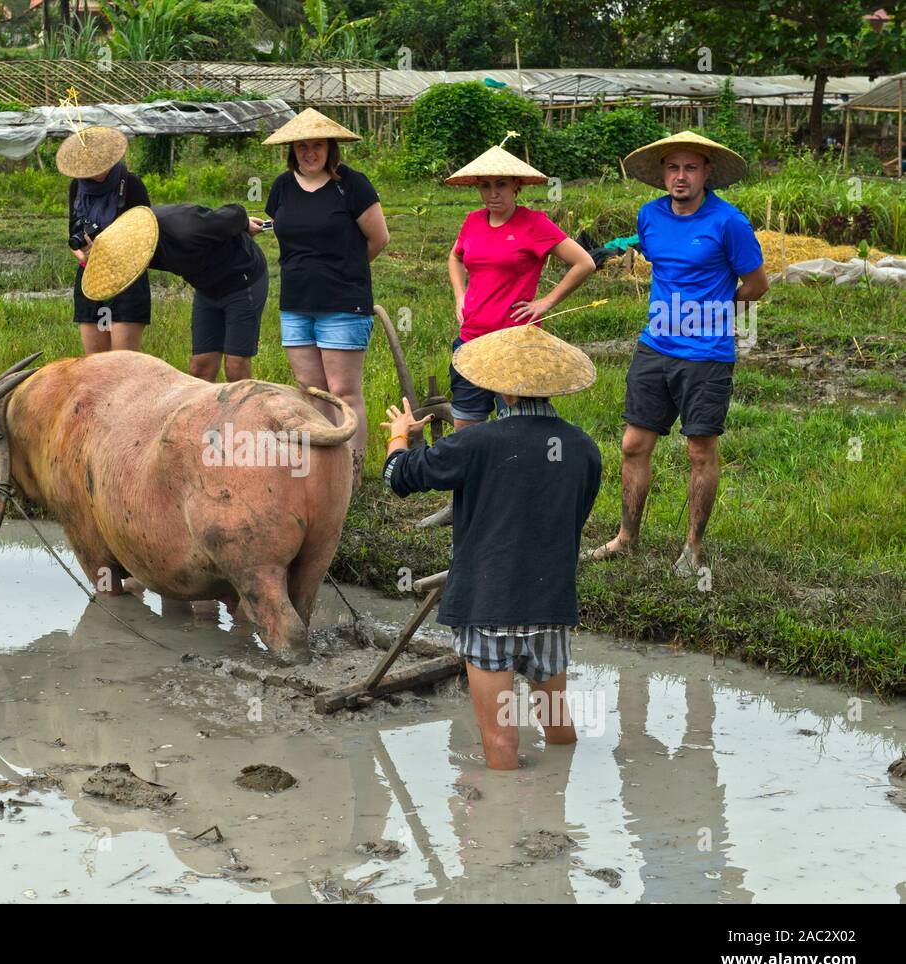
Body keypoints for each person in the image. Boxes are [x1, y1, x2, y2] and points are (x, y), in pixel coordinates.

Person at [381, 323, 602, 770]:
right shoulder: (583, 449)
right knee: (558, 727)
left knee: (500, 739)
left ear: (508, 392)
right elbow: (571, 521)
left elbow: (398, 477)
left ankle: (501, 833)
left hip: (487, 606)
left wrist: (399, 434)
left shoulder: (476, 442)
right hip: (549, 604)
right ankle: (553, 804)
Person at [589, 132, 768, 575]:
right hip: (655, 346)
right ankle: (626, 537)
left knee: (699, 450)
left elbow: (757, 284)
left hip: (706, 353)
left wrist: (716, 309)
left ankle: (692, 548)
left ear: (707, 173)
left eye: (691, 168)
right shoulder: (650, 216)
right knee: (633, 444)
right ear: (662, 173)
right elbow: (659, 259)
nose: (681, 176)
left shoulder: (730, 223)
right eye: (673, 168)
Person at [262, 108, 389, 480]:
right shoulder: (283, 186)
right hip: (296, 303)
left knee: (344, 392)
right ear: (293, 150)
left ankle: (354, 473)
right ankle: (325, 475)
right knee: (311, 391)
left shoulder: (352, 184)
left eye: (317, 145)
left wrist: (343, 269)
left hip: (343, 303)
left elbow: (379, 239)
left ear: (330, 148)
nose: (310, 153)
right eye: (302, 146)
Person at [445, 141, 595, 430]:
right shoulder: (473, 222)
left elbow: (584, 263)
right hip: (471, 340)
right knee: (465, 428)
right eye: (485, 185)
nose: (492, 193)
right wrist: (459, 294)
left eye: (501, 184)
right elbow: (455, 256)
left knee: (518, 429)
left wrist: (546, 302)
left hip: (516, 345)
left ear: (516, 186)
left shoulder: (534, 224)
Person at [79, 203, 267, 383]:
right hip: (206, 290)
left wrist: (243, 224)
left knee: (235, 367)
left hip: (242, 281)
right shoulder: (137, 252)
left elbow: (234, 213)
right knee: (200, 369)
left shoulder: (186, 226)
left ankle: (245, 414)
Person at [58, 126, 151, 354]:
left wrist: (108, 247)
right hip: (90, 278)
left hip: (125, 278)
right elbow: (74, 231)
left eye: (101, 165)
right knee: (96, 365)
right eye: (90, 168)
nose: (97, 172)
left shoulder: (131, 185)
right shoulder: (77, 187)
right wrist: (83, 254)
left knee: (123, 365)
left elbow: (145, 232)